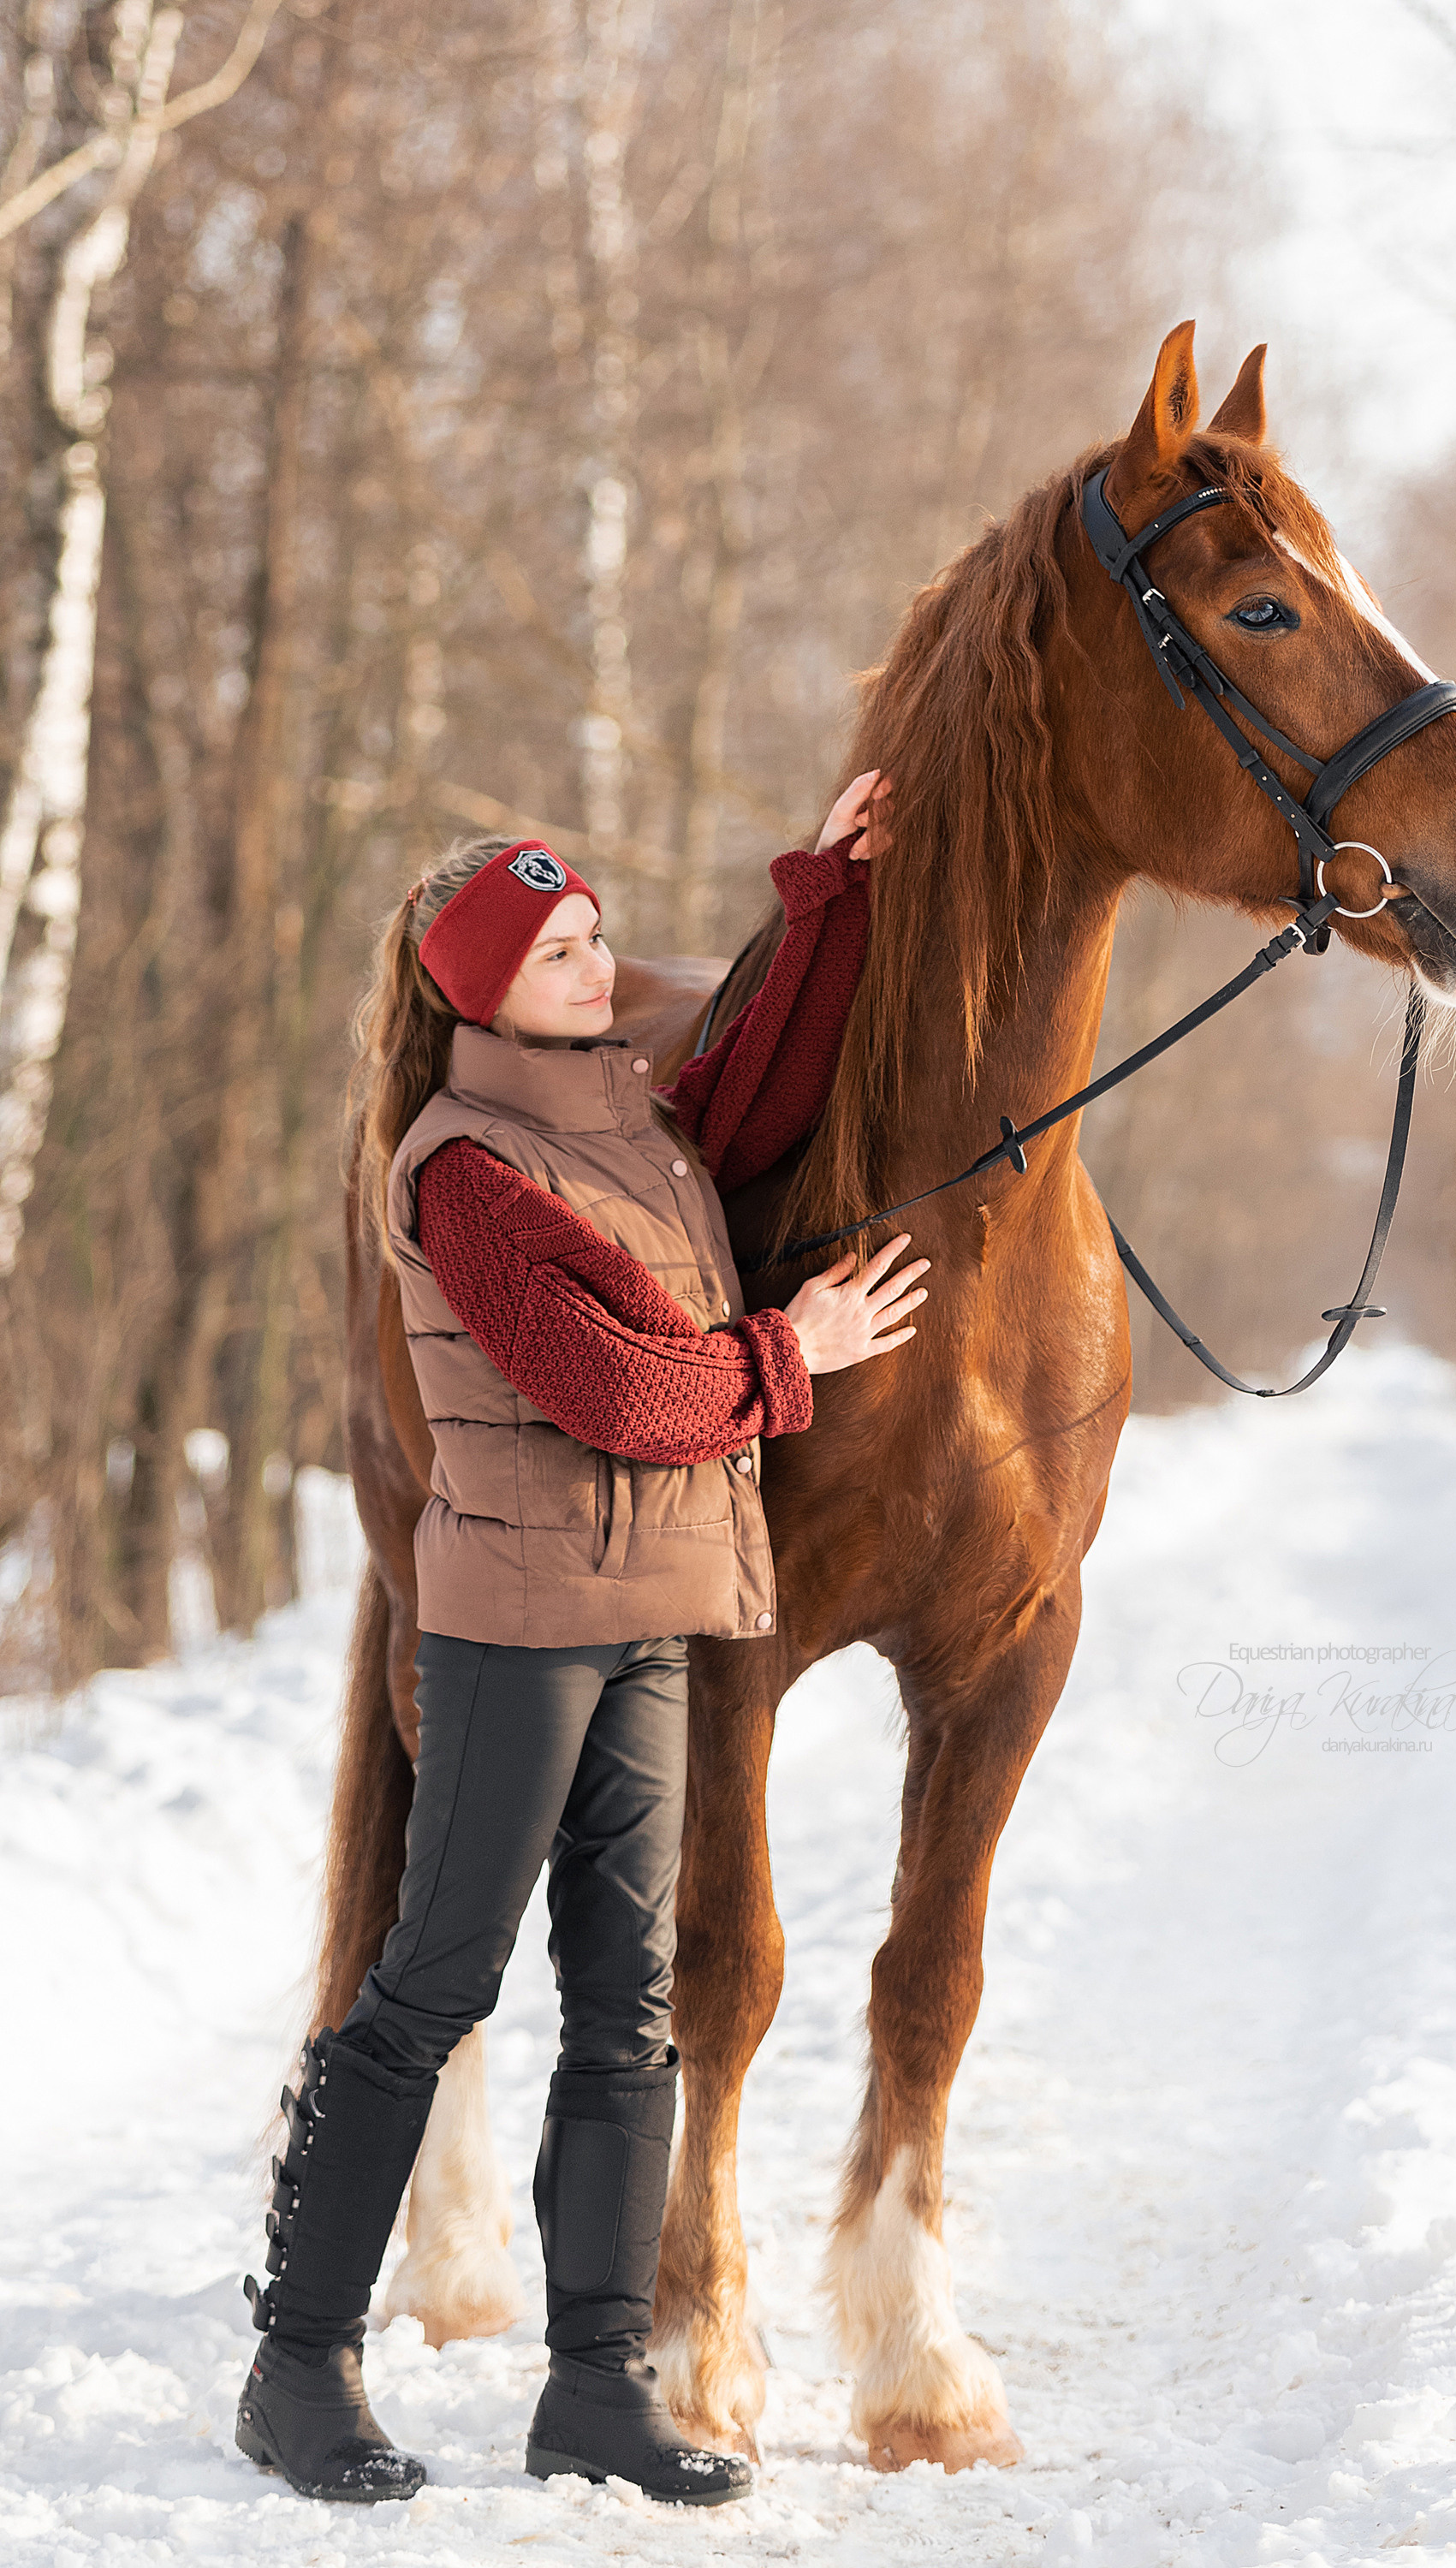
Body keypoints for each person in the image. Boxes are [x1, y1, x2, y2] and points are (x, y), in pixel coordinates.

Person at [235, 772, 927, 2509]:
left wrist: (824, 895)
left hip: (657, 1619)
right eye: (556, 948)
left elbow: (762, 1069)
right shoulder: (465, 1165)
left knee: (628, 2015)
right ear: (477, 985)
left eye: (596, 935)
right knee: (434, 1985)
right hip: (520, 1630)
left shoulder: (639, 1126)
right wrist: (796, 1353)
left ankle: (596, 2387)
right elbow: (615, 1390)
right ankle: (297, 2361)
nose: (591, 961)